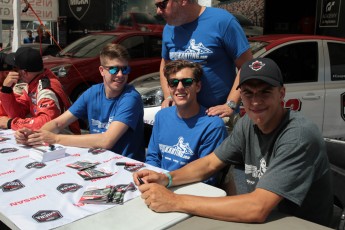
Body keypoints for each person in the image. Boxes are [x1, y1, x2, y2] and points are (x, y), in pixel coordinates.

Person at [133, 58, 333, 227]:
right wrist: (166, 179)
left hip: (299, 224)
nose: (255, 102)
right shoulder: (247, 123)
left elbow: (258, 208)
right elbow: (210, 163)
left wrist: (174, 201)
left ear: (281, 93)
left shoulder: (297, 135)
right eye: (248, 93)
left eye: (265, 92)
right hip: (266, 217)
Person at [15, 44, 146, 161]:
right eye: (113, 69)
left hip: (125, 166)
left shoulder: (131, 98)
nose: (120, 74)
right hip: (100, 160)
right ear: (101, 70)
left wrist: (55, 138)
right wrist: (34, 136)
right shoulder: (93, 92)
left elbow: (107, 140)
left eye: (125, 69)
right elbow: (58, 122)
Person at [156, 0, 253, 128]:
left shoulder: (222, 21)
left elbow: (247, 65)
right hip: (182, 118)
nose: (158, 11)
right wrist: (168, 96)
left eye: (162, 5)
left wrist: (230, 104)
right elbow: (165, 64)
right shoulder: (169, 29)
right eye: (156, 6)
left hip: (218, 120)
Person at [145, 60, 228, 185]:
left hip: (190, 191)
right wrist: (151, 180)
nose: (180, 87)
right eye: (173, 83)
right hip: (159, 184)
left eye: (187, 82)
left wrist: (166, 182)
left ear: (198, 86)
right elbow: (153, 157)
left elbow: (207, 176)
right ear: (168, 87)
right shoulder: (162, 116)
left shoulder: (213, 126)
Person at [0, 47, 79, 134]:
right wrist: (6, 90)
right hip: (49, 136)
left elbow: (46, 122)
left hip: (64, 138)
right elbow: (18, 114)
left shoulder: (46, 89)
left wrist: (11, 123)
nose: (13, 71)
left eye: (16, 69)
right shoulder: (33, 82)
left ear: (24, 72)